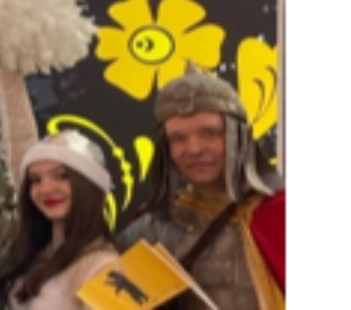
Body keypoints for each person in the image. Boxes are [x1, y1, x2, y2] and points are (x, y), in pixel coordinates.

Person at [117, 71, 287, 310]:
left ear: (238, 136)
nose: (194, 149)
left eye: (209, 133)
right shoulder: (151, 229)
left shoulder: (280, 213)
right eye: (178, 138)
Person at [5, 131, 117, 310]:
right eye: (36, 180)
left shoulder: (105, 268)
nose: (46, 189)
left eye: (61, 176)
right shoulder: (38, 253)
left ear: (89, 184)